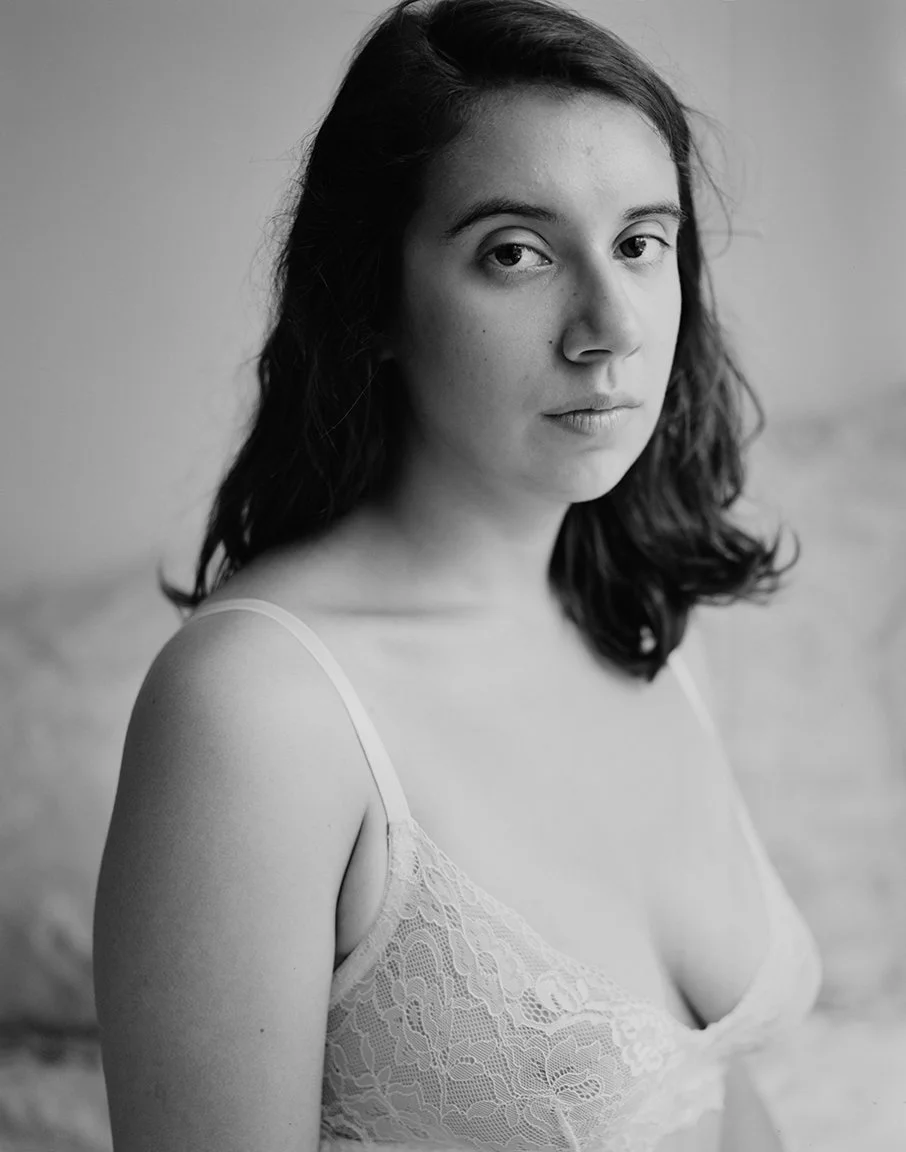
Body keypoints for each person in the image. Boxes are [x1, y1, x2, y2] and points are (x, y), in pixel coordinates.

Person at [92, 1, 823, 1149]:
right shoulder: (257, 709)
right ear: (371, 297)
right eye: (515, 252)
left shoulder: (643, 621)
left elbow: (714, 1091)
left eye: (641, 242)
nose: (609, 327)